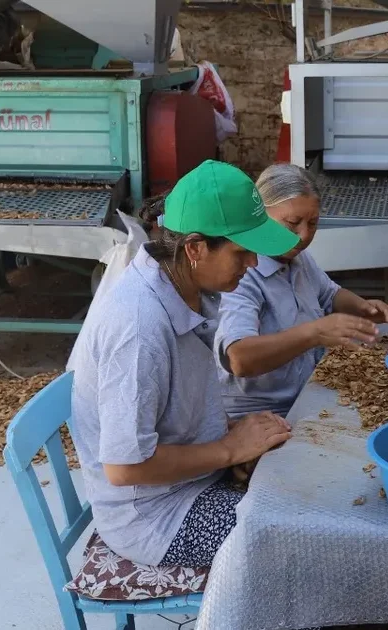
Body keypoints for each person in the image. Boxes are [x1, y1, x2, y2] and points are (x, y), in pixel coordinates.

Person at [67, 160, 299, 568]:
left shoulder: (185, 283)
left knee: (303, 486)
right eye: (242, 253)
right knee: (296, 541)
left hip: (191, 480)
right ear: (194, 247)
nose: (251, 266)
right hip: (154, 516)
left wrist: (229, 437)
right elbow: (124, 468)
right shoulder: (138, 328)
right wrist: (228, 449)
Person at [214, 163, 388, 418]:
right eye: (292, 223)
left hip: (308, 392)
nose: (303, 235)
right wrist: (313, 333)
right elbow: (239, 358)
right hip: (260, 416)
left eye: (313, 223)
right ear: (259, 216)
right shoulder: (241, 275)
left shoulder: (297, 258)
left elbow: (329, 294)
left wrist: (364, 308)